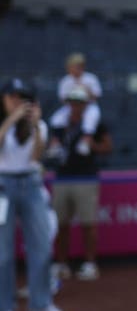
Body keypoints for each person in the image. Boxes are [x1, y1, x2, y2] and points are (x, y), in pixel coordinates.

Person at [0, 78, 58, 311]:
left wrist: (34, 125)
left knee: (41, 248)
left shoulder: (38, 125)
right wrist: (11, 120)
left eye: (21, 97)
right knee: (2, 253)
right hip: (2, 187)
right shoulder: (4, 124)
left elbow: (36, 156)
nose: (16, 102)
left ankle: (41, 304)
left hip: (31, 185)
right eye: (11, 97)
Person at [49, 86, 111, 283]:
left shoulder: (95, 123)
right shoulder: (60, 122)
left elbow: (107, 147)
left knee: (88, 224)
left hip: (86, 178)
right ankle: (61, 264)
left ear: (85, 104)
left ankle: (90, 263)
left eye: (79, 102)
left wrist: (92, 145)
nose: (76, 106)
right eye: (73, 102)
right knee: (60, 224)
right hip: (62, 178)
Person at [54, 54, 101, 140]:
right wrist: (74, 100)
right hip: (71, 107)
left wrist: (86, 91)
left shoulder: (91, 78)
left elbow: (97, 95)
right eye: (71, 67)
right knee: (57, 119)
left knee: (91, 118)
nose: (73, 69)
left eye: (76, 66)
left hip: (88, 106)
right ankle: (57, 142)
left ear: (82, 67)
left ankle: (86, 141)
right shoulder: (65, 80)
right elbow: (62, 98)